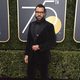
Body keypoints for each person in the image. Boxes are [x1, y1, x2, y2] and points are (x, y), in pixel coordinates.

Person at [24, 4, 56, 80]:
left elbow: (52, 42)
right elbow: (29, 41)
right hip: (31, 56)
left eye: (41, 12)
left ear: (44, 13)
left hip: (43, 56)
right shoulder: (31, 25)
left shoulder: (49, 26)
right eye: (37, 12)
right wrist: (26, 54)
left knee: (44, 76)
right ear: (35, 12)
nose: (39, 14)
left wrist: (39, 47)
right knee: (30, 76)